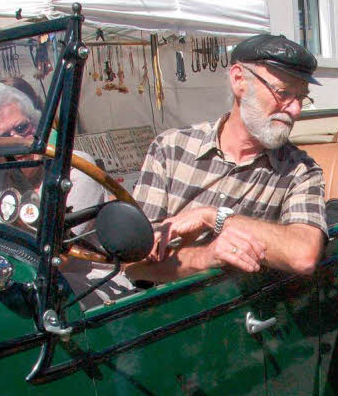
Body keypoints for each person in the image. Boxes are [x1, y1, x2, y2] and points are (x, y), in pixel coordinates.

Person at [126, 33, 327, 285]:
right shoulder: (170, 149)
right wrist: (205, 257)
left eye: (301, 97)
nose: (295, 109)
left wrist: (213, 217)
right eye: (283, 92)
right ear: (239, 80)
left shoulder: (300, 171)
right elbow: (133, 265)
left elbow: (302, 255)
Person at [0, 82, 106, 227]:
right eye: (5, 137)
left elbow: (61, 240)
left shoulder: (74, 167)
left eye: (22, 127)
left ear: (35, 125)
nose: (17, 140)